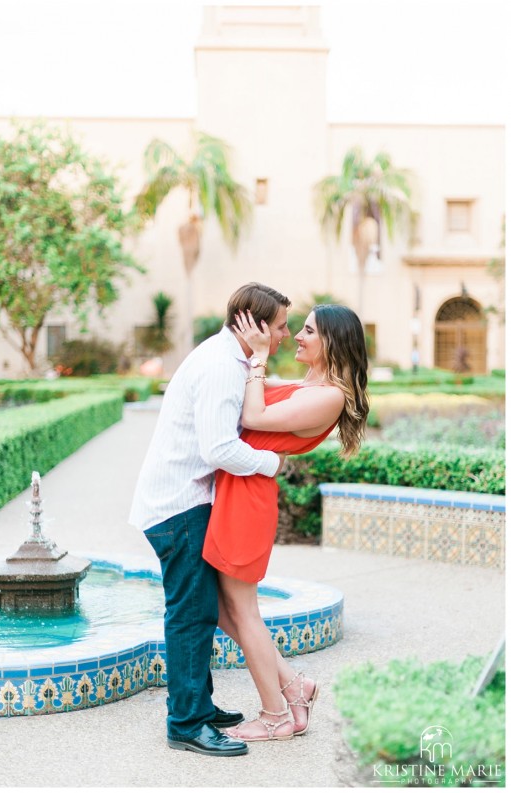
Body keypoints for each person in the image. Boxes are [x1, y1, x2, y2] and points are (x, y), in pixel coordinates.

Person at [129, 283, 291, 757]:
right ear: (254, 324)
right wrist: (271, 465)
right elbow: (218, 448)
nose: (283, 334)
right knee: (192, 614)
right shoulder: (223, 365)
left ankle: (198, 704)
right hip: (178, 504)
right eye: (279, 325)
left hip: (180, 500)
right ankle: (186, 723)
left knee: (198, 609)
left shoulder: (225, 356)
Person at [202, 303, 369, 741]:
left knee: (242, 609)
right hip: (238, 488)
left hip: (249, 497)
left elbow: (252, 416)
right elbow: (240, 386)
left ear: (331, 341)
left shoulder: (330, 395)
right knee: (221, 607)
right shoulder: (309, 384)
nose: (296, 335)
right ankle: (296, 686)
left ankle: (276, 715)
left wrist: (259, 356)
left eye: (307, 331)